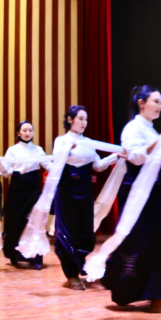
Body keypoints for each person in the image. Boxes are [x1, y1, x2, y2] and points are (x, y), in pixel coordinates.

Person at [101, 86, 161, 314]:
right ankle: (125, 287)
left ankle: (159, 297)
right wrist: (159, 143)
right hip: (139, 195)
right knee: (140, 243)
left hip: (156, 194)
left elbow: (160, 164)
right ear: (141, 103)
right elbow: (136, 158)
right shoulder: (132, 128)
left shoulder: (153, 131)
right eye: (156, 101)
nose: (160, 106)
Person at [53, 105, 120, 290]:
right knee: (68, 231)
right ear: (70, 119)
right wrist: (68, 149)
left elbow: (98, 165)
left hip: (84, 191)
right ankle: (71, 274)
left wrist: (116, 156)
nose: (84, 122)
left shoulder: (88, 142)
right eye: (80, 118)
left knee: (85, 231)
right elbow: (57, 161)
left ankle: (79, 264)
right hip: (66, 191)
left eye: (86, 119)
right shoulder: (61, 140)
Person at [0, 120, 50, 270]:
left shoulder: (38, 150)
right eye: (24, 130)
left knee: (35, 221)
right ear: (18, 133)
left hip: (33, 188)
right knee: (15, 222)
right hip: (17, 188)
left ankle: (36, 257)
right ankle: (15, 255)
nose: (28, 133)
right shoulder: (12, 150)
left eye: (30, 130)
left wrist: (61, 163)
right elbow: (6, 173)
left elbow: (49, 165)